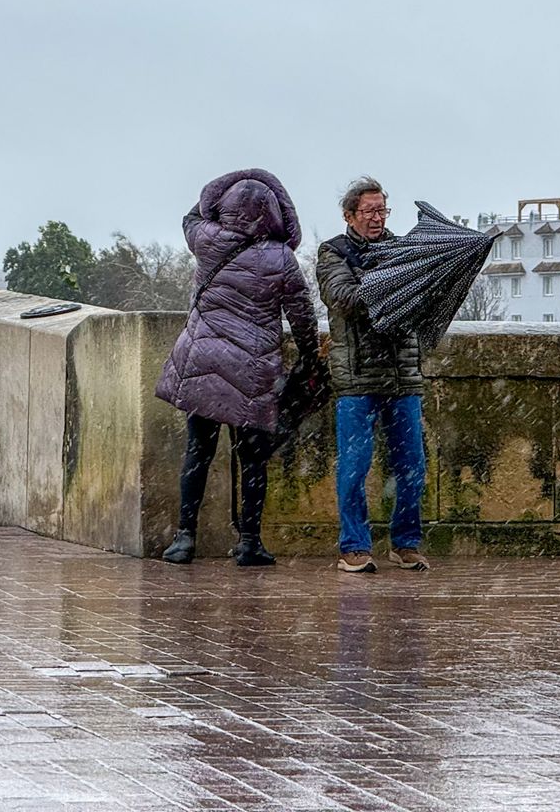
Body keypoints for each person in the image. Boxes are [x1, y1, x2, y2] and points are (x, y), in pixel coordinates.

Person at [154, 169, 321, 567]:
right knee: (253, 459)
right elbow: (301, 316)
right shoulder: (281, 257)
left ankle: (185, 537)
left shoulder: (207, 241)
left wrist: (242, 176)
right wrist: (311, 358)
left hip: (204, 363)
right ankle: (249, 541)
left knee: (198, 452)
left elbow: (192, 215)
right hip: (253, 370)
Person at [317, 177, 430, 573]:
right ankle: (354, 546)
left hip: (403, 375)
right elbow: (344, 299)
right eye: (369, 212)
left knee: (413, 465)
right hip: (357, 378)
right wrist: (391, 278)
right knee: (354, 466)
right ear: (349, 215)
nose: (377, 219)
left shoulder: (404, 251)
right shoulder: (333, 253)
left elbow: (421, 302)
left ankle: (406, 542)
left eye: (382, 210)